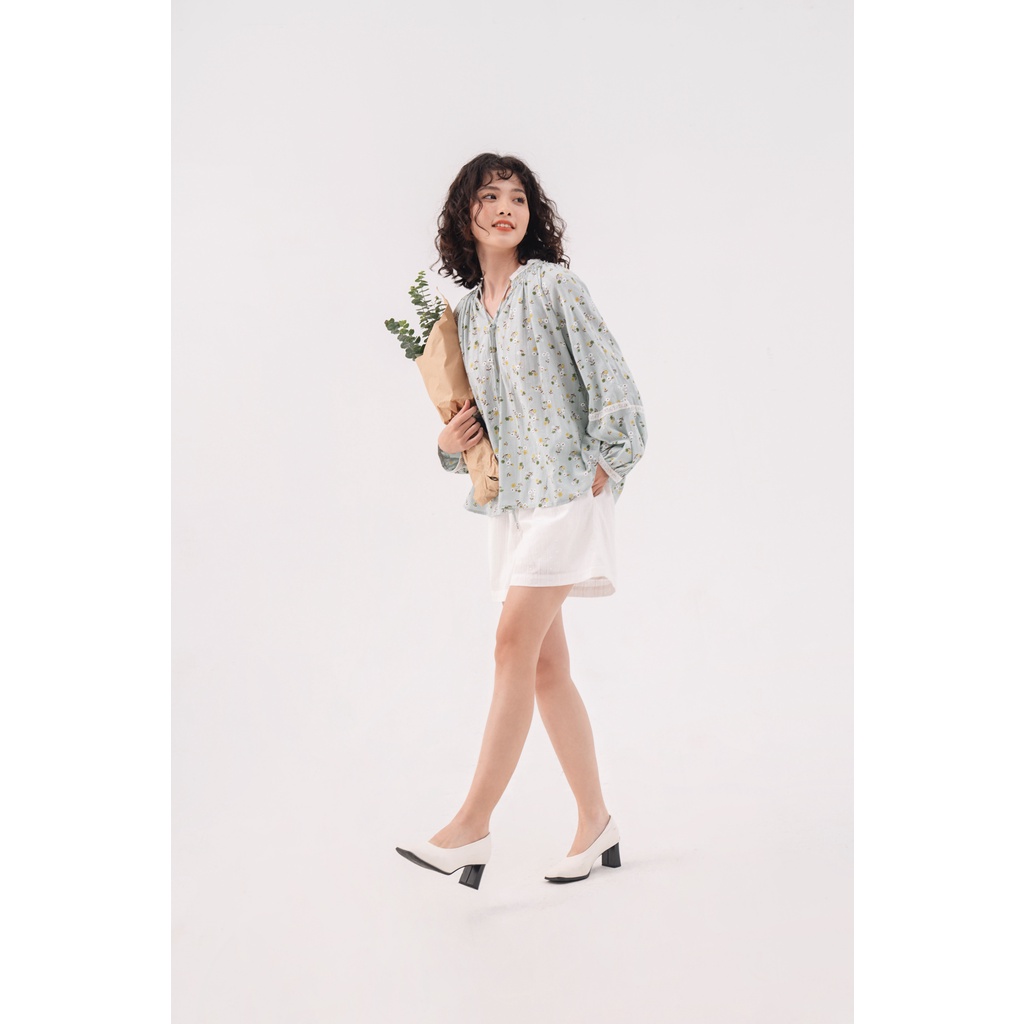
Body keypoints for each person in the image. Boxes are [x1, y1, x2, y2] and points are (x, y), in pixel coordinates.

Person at [395, 153, 647, 889]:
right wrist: (449, 445)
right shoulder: (465, 318)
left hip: (567, 490)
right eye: (489, 196)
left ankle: (471, 825)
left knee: (510, 644)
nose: (505, 208)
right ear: (464, 214)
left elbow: (613, 377)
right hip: (514, 504)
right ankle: (597, 822)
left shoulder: (554, 286)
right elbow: (483, 429)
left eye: (517, 197)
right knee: (543, 667)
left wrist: (612, 459)